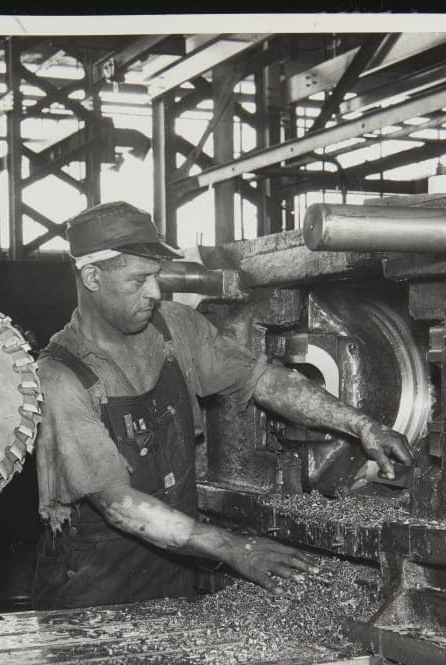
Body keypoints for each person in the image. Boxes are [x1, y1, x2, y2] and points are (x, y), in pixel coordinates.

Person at [32, 201, 413, 610]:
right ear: (92, 276)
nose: (155, 292)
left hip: (170, 570)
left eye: (157, 277)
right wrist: (235, 548)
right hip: (93, 588)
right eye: (139, 279)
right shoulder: (59, 376)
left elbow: (264, 380)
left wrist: (359, 425)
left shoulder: (175, 329)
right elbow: (117, 504)